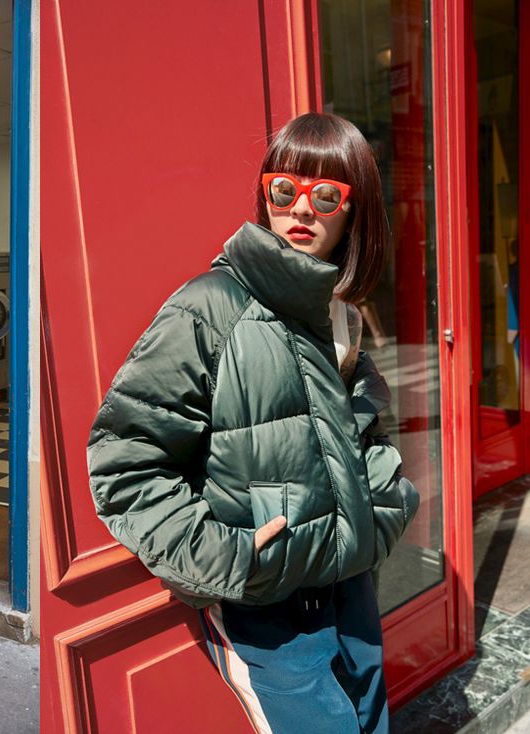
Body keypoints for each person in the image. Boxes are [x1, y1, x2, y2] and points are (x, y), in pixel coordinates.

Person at [87, 113, 419, 733]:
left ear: (354, 212)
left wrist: (383, 511)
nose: (302, 207)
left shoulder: (339, 309)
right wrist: (232, 559)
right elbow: (126, 461)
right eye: (283, 189)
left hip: (351, 587)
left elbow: (366, 434)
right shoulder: (209, 306)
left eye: (326, 195)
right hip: (270, 609)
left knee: (372, 723)